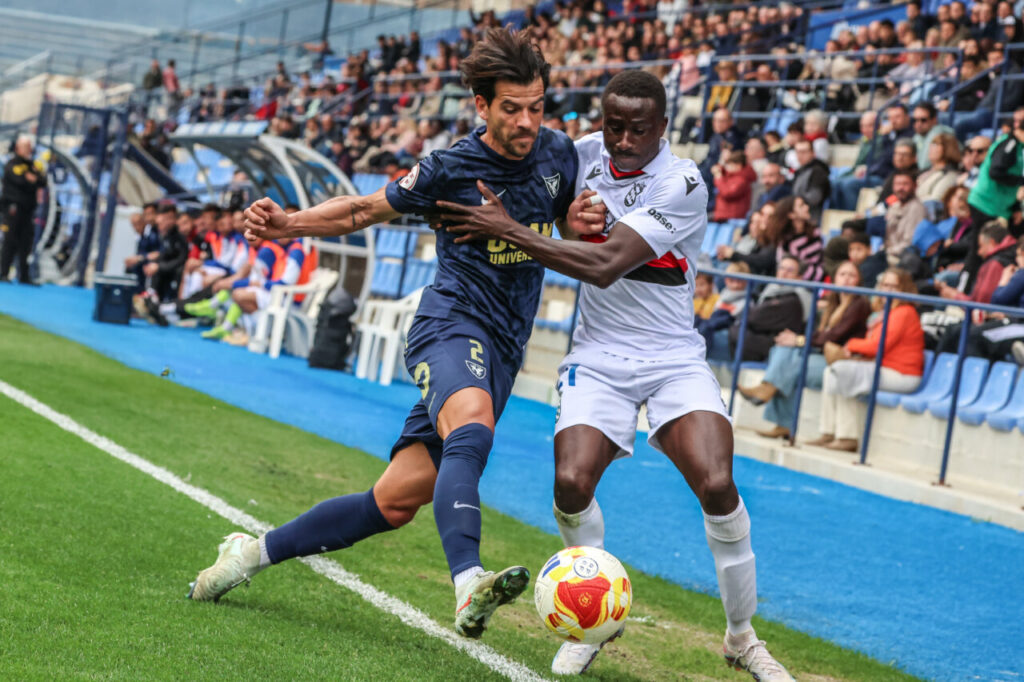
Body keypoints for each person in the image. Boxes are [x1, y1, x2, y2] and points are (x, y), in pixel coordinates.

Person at [186, 27, 583, 642]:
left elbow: (565, 221)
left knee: (394, 502)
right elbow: (363, 209)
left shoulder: (560, 154)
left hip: (504, 346)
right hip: (449, 324)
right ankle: (467, 581)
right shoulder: (452, 167)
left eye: (536, 106)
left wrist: (580, 220)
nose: (528, 121)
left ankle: (251, 553)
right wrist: (289, 225)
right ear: (481, 105)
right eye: (512, 108)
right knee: (471, 420)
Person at [438, 69, 794, 681]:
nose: (623, 140)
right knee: (571, 483)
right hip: (598, 355)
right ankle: (594, 618)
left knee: (716, 483)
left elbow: (604, 265)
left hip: (672, 356)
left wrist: (513, 232)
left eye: (638, 129)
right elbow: (518, 172)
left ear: (663, 128)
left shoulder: (681, 181)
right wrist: (555, 218)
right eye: (613, 126)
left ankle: (742, 638)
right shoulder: (580, 157)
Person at [739, 261, 870, 439]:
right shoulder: (832, 303)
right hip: (820, 355)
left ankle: (773, 400)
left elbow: (833, 337)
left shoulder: (860, 305)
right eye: (842, 274)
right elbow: (820, 336)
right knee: (782, 349)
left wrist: (799, 340)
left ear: (858, 281)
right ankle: (769, 391)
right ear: (835, 279)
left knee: (790, 367)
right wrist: (795, 340)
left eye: (851, 275)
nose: (846, 279)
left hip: (839, 361)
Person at [807, 268, 924, 452]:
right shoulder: (885, 312)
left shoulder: (904, 312)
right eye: (885, 285)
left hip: (901, 374)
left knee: (842, 371)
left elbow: (877, 346)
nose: (889, 290)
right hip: (884, 368)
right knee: (830, 372)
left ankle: (847, 437)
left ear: (905, 289)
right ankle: (827, 432)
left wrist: (851, 345)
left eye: (895, 286)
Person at [0, 136, 47, 284]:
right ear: (18, 148)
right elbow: (20, 181)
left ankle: (24, 276)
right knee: (10, 241)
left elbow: (42, 181)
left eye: (29, 146)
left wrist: (32, 179)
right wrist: (31, 180)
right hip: (13, 209)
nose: (28, 149)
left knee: (26, 243)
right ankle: (3, 273)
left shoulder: (32, 165)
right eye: (25, 146)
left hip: (28, 210)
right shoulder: (11, 164)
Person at [915, 133, 961, 203]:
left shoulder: (950, 175)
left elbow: (936, 200)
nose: (930, 148)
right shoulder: (924, 172)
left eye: (935, 145)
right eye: (931, 144)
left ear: (947, 148)